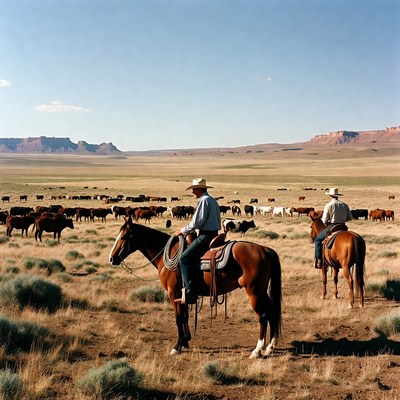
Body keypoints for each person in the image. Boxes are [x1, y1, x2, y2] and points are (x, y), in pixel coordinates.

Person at [174, 178, 221, 304]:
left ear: (200, 189)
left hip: (206, 236)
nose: (193, 191)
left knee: (184, 258)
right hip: (215, 234)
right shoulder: (212, 200)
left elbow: (197, 222)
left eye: (194, 189)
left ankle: (190, 292)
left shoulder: (204, 201)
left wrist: (182, 231)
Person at [314, 187, 353, 269]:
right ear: (338, 196)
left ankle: (319, 260)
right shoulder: (344, 205)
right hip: (343, 226)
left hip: (332, 226)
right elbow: (350, 217)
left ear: (330, 195)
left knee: (317, 240)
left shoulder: (329, 205)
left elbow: (324, 219)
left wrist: (326, 222)